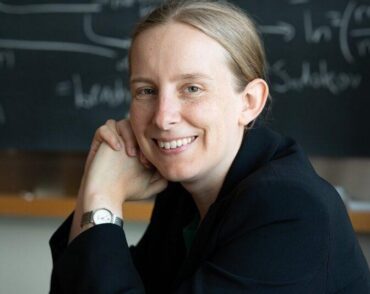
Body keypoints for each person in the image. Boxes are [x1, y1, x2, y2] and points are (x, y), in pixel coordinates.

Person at [49, 1, 370, 293]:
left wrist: (103, 198)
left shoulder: (291, 209)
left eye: (192, 88)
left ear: (249, 102)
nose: (163, 117)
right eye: (146, 91)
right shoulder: (185, 193)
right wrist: (96, 179)